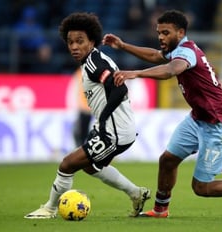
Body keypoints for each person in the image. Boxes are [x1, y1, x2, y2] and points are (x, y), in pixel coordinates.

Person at [103, 10, 222, 218]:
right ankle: (160, 209)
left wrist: (136, 73)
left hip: (218, 125)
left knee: (202, 188)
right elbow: (156, 56)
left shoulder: (187, 52)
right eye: (159, 33)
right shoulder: (176, 50)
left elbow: (170, 70)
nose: (161, 37)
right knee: (167, 160)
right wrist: (123, 46)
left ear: (181, 32)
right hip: (197, 119)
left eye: (166, 33)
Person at [24, 12, 151, 219]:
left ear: (92, 41)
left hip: (114, 131)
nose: (74, 47)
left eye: (80, 41)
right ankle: (136, 193)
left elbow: (119, 89)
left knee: (67, 164)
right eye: (70, 42)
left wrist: (103, 118)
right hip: (119, 129)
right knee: (90, 167)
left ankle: (49, 208)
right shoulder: (93, 61)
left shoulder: (94, 64)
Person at [72, 67, 93, 147]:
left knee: (85, 131)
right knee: (82, 132)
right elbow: (76, 90)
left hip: (90, 108)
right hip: (84, 108)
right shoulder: (80, 73)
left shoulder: (82, 72)